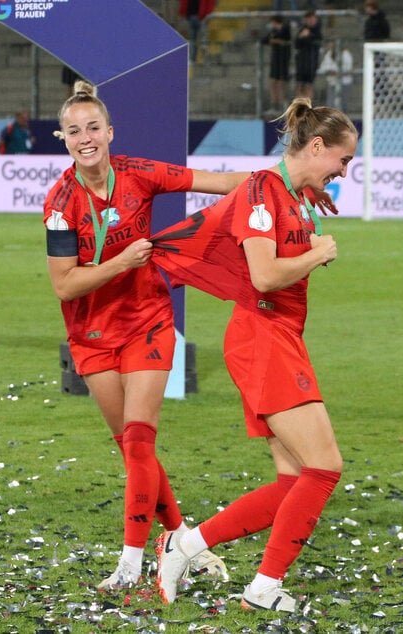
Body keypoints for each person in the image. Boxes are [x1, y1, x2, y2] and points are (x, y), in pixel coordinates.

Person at [43, 80, 257, 591]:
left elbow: (218, 181)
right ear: (64, 139)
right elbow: (64, 284)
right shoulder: (60, 203)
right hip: (92, 335)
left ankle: (130, 563)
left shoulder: (139, 173)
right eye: (74, 131)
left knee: (140, 443)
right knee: (131, 449)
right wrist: (120, 261)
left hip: (148, 323)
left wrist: (288, 178)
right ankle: (181, 537)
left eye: (93, 127)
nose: (85, 137)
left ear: (110, 132)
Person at [152, 97, 356, 613]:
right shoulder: (265, 192)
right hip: (262, 337)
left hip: (277, 337)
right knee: (325, 467)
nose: (344, 172)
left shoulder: (284, 191)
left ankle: (186, 546)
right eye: (342, 160)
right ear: (316, 146)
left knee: (294, 481)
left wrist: (309, 205)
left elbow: (249, 197)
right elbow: (264, 275)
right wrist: (317, 251)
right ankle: (263, 587)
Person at [261, 14, 292, 118]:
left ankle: (283, 104)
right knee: (273, 82)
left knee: (281, 82)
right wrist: (274, 40)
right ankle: (275, 105)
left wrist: (275, 40)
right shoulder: (273, 31)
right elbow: (264, 40)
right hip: (275, 59)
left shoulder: (285, 29)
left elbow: (285, 40)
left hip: (283, 59)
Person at [294, 10, 322, 99]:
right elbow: (297, 44)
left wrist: (307, 37)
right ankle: (299, 106)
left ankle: (308, 106)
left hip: (311, 61)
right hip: (301, 60)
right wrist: (301, 37)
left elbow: (315, 43)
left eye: (312, 18)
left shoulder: (318, 30)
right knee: (300, 84)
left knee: (309, 85)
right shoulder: (303, 29)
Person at [178, 0, 215, 65]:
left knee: (203, 41)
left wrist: (207, 15)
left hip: (202, 18)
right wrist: (182, 13)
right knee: (193, 40)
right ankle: (192, 59)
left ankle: (204, 60)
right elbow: (184, 2)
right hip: (191, 17)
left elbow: (210, 3)